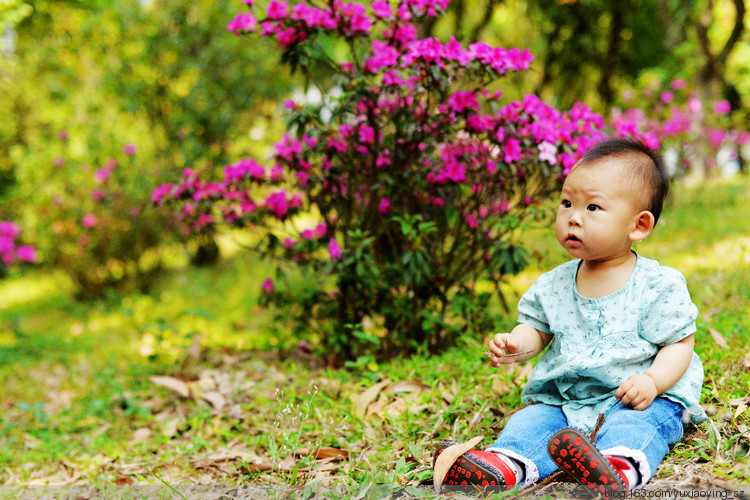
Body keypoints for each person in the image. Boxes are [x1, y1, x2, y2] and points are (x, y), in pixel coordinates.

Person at [436, 137, 707, 494]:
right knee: (533, 422)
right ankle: (505, 464)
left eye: (593, 208)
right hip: (567, 400)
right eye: (566, 203)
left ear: (639, 226)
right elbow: (537, 328)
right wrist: (516, 343)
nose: (573, 218)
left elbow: (679, 343)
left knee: (639, 425)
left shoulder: (657, 284)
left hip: (637, 396)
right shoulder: (554, 284)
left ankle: (618, 468)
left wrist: (653, 382)